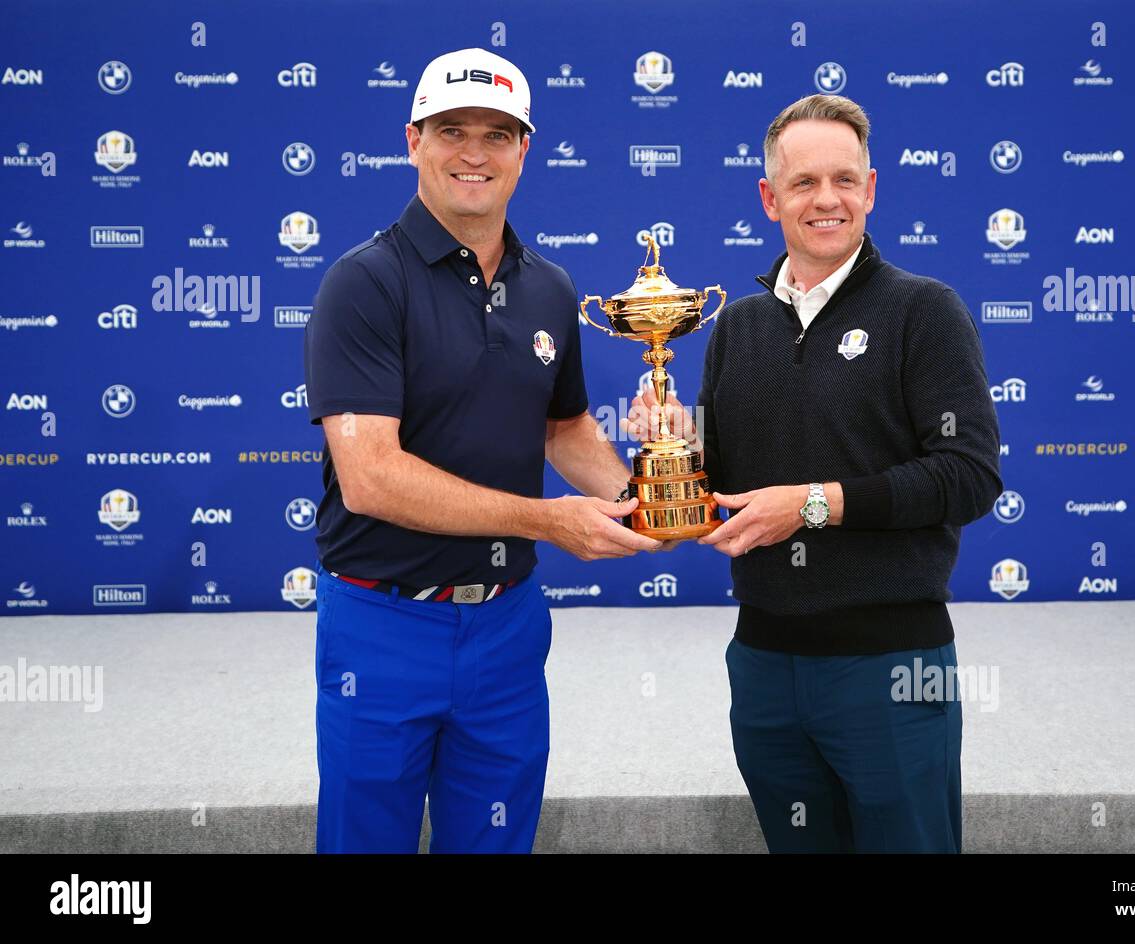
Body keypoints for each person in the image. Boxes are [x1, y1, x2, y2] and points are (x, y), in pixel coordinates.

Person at [304, 47, 661, 854]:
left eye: (498, 134)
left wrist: (653, 501)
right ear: (412, 141)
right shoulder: (362, 283)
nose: (475, 152)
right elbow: (370, 477)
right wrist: (547, 520)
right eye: (452, 130)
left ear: (524, 150)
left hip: (506, 625)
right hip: (381, 623)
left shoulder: (550, 287)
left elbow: (564, 428)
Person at [628, 94, 1002, 853]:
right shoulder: (738, 324)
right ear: (770, 199)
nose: (826, 199)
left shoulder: (924, 311)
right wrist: (676, 448)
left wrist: (813, 506)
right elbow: (725, 480)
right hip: (763, 664)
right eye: (803, 183)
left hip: (893, 663)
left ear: (871, 188)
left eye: (844, 179)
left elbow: (967, 476)